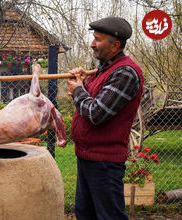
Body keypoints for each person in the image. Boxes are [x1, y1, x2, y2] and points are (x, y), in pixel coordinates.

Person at [67, 17, 144, 220]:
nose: (92, 43)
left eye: (98, 39)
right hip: (88, 156)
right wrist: (81, 82)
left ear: (115, 45)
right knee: (85, 213)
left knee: (109, 216)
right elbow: (89, 99)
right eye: (93, 38)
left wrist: (78, 91)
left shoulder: (125, 73)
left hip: (105, 161)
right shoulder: (104, 70)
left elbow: (95, 113)